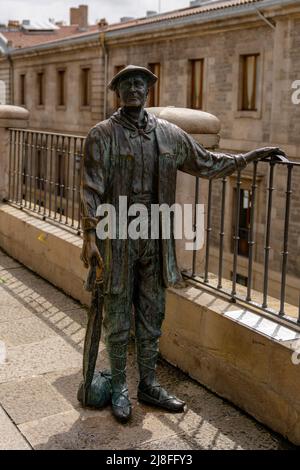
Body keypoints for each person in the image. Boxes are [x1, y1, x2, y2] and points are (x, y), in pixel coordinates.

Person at [80, 65, 286, 423]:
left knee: (152, 312)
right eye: (126, 83)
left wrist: (251, 157)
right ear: (117, 90)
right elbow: (91, 187)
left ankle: (148, 383)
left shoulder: (169, 134)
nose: (133, 88)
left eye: (140, 83)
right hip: (118, 235)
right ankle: (118, 387)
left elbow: (208, 163)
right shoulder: (102, 134)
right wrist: (89, 235)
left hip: (156, 238)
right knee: (117, 315)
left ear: (148, 90)